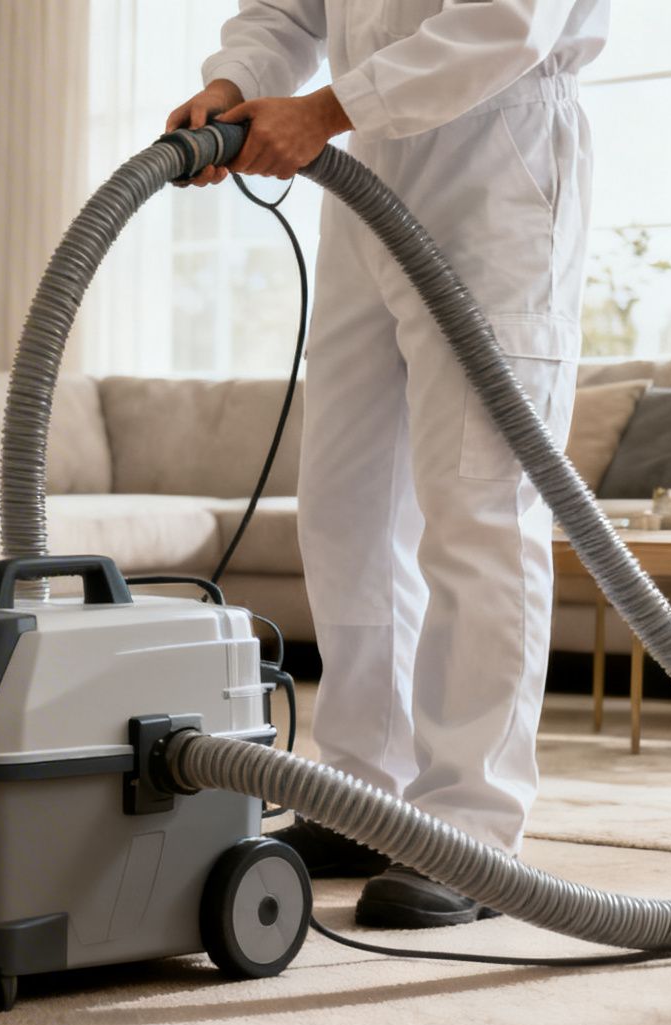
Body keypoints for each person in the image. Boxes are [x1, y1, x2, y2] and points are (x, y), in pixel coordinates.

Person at [166, 0, 611, 928]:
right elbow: (288, 10)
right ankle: (366, 796)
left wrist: (324, 110)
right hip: (367, 169)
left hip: (496, 159)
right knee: (347, 509)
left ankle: (472, 829)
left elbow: (509, 21)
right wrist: (236, 85)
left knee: (480, 507)